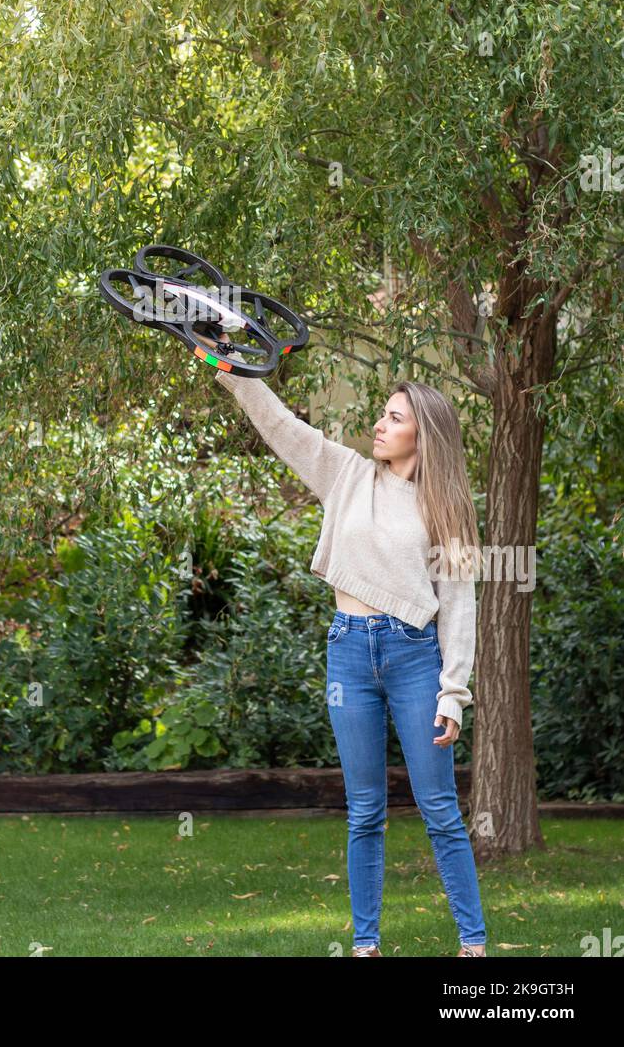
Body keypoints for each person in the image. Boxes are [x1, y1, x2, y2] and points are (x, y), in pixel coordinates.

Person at [196, 333, 487, 958]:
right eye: (382, 413)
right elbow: (279, 424)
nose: (378, 425)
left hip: (415, 659)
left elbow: (460, 606)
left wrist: (454, 692)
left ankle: (473, 945)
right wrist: (226, 364)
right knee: (364, 812)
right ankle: (365, 946)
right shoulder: (349, 475)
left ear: (422, 434)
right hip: (349, 652)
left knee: (440, 810)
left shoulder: (448, 510)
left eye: (393, 417)